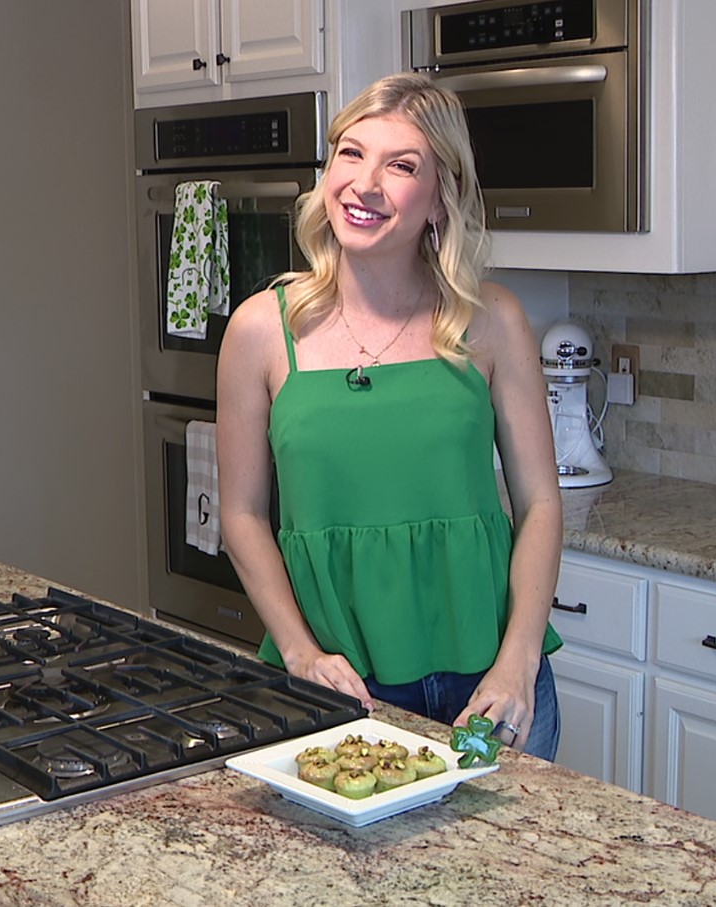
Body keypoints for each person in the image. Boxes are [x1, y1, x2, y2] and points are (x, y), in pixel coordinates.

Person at [215, 72, 565, 760]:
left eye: (401, 166)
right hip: (337, 683)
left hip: (489, 689)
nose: (364, 184)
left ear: (439, 198)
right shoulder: (261, 329)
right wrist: (299, 652)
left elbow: (541, 503)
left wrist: (518, 661)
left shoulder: (491, 321)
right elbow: (242, 515)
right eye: (350, 154)